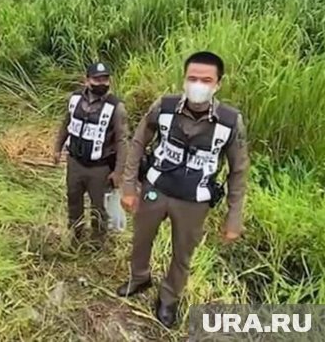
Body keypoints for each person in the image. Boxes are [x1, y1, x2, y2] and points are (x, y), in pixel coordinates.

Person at [116, 51, 250, 328]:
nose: (198, 85)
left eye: (206, 79)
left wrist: (234, 217)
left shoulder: (229, 121)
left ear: (218, 84)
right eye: (192, 78)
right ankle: (139, 278)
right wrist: (129, 186)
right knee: (141, 240)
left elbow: (238, 171)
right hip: (155, 188)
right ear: (184, 79)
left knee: (182, 254)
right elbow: (139, 141)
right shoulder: (164, 107)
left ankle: (168, 298)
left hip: (194, 200)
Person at [54, 62, 128, 246]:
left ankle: (98, 242)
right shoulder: (75, 99)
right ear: (87, 81)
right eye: (97, 79)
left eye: (105, 79)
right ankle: (76, 235)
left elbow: (122, 141)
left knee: (99, 206)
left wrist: (118, 172)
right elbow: (66, 124)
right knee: (73, 199)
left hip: (99, 167)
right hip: (75, 162)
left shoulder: (116, 108)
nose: (102, 83)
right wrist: (57, 148)